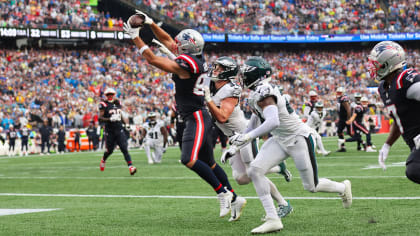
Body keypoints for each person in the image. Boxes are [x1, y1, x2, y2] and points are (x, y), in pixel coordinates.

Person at [124, 10, 242, 218]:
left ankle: (222, 192)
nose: (175, 44)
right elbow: (168, 40)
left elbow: (152, 59)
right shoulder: (195, 57)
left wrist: (135, 36)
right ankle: (235, 196)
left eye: (179, 44)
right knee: (209, 163)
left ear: (187, 47)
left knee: (188, 159)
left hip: (196, 116)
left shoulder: (188, 65)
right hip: (195, 115)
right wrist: (151, 22)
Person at [230, 57, 352, 234]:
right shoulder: (256, 93)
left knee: (311, 186)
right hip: (280, 139)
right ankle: (273, 219)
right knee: (255, 170)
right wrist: (237, 144)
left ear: (255, 75)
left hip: (298, 138)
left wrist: (248, 136)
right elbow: (255, 122)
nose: (242, 77)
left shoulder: (265, 90)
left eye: (245, 74)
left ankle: (342, 187)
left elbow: (272, 121)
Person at [205, 56, 292, 222]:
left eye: (219, 68)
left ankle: (282, 203)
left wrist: (208, 99)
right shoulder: (210, 83)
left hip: (244, 134)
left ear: (228, 72)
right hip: (232, 138)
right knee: (241, 178)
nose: (215, 70)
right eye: (215, 67)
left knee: (254, 172)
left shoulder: (231, 89)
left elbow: (222, 117)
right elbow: (191, 73)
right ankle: (276, 168)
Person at [369, 41, 420, 184]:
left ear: (388, 63)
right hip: (414, 144)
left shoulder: (405, 80)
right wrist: (387, 144)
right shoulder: (384, 88)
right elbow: (399, 119)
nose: (372, 67)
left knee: (414, 168)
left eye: (376, 63)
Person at [98, 88, 137, 175]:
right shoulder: (103, 104)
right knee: (109, 151)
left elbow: (120, 115)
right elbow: (100, 118)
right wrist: (109, 119)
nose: (110, 96)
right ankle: (103, 159)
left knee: (124, 148)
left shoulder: (117, 103)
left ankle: (130, 167)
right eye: (108, 94)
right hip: (110, 131)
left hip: (119, 129)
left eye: (111, 94)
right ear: (106, 95)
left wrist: (126, 124)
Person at [335, 87, 351, 152]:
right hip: (342, 118)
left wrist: (349, 119)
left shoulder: (344, 98)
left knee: (351, 133)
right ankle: (343, 147)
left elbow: (348, 109)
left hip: (345, 118)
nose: (338, 94)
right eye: (337, 92)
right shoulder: (339, 99)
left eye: (340, 92)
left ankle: (363, 143)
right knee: (339, 131)